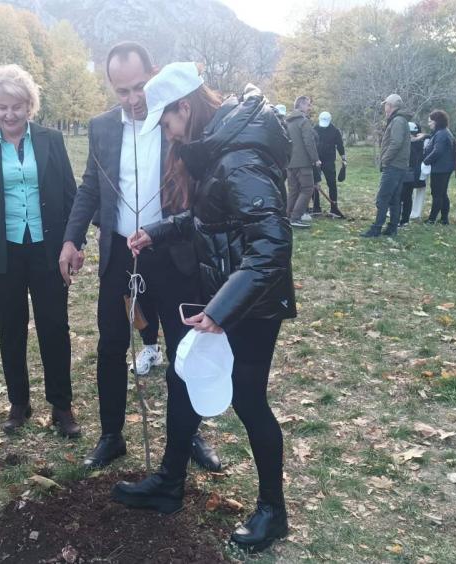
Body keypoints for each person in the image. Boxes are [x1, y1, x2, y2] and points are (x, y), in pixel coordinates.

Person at [118, 62, 296, 553]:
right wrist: (157, 231)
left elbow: (271, 245)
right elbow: (210, 217)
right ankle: (169, 482)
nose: (170, 135)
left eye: (168, 123)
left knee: (249, 400)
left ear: (185, 107)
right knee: (185, 376)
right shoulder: (221, 147)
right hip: (230, 293)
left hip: (254, 304)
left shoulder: (240, 157)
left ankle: (273, 512)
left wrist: (222, 310)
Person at [60, 42, 220, 472]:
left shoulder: (179, 119)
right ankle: (111, 435)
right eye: (122, 91)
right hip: (120, 254)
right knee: (113, 343)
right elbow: (91, 186)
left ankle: (188, 435)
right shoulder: (101, 128)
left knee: (184, 346)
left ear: (155, 74)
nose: (133, 99)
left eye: (139, 87)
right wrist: (72, 239)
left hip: (174, 252)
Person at [0, 64, 81, 438]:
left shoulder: (51, 140)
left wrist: (74, 243)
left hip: (48, 250)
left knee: (55, 327)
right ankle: (18, 402)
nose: (9, 114)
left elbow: (69, 194)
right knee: (10, 329)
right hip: (3, 253)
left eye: (16, 106)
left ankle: (61, 405)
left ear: (29, 105)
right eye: (1, 107)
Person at [362, 93, 410, 238]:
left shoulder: (397, 121)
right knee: (394, 199)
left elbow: (396, 143)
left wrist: (385, 160)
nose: (384, 108)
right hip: (399, 166)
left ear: (390, 106)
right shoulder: (400, 120)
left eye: (386, 105)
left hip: (394, 166)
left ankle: (376, 228)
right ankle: (392, 228)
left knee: (382, 198)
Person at [284, 96, 319, 228]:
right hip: (303, 163)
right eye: (308, 105)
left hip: (290, 163)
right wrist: (315, 159)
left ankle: (287, 217)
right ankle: (295, 218)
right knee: (307, 189)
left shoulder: (287, 122)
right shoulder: (304, 121)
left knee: (293, 191)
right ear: (301, 105)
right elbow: (309, 142)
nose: (309, 108)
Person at [422, 110, 455, 225]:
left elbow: (438, 151)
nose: (429, 124)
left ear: (437, 121)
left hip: (440, 169)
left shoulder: (441, 134)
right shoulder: (443, 132)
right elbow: (434, 139)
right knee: (442, 193)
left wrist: (426, 161)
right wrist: (425, 136)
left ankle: (432, 219)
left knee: (437, 194)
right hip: (445, 167)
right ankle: (444, 219)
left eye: (430, 121)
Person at [313, 111, 346, 218]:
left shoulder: (335, 131)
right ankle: (316, 208)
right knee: (315, 184)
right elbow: (310, 144)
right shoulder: (315, 129)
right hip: (316, 160)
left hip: (329, 161)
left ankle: (334, 209)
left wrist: (343, 158)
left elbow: (340, 145)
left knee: (332, 184)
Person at [398, 122, 428, 227]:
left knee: (403, 197)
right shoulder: (419, 142)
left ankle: (402, 220)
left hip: (409, 172)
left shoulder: (412, 144)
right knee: (407, 197)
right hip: (412, 173)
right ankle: (404, 219)